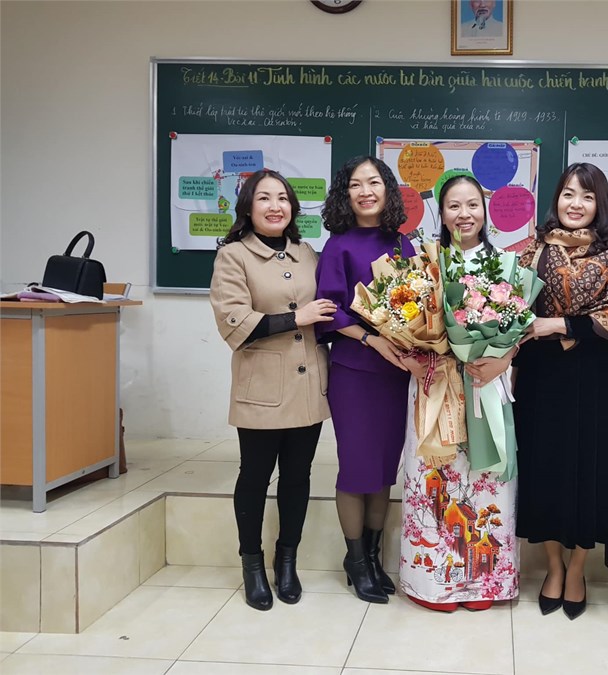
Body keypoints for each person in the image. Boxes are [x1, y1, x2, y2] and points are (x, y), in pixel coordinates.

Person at [210, 169, 337, 611]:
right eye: (264, 197)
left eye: (282, 197)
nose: (275, 205)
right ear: (248, 206)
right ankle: (252, 565)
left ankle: (287, 561)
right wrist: (296, 318)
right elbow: (233, 322)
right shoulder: (233, 256)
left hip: (309, 385)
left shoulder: (307, 253)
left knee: (298, 476)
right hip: (261, 388)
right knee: (254, 476)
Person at [514, 163, 608, 620]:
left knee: (589, 472)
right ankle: (553, 566)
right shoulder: (534, 248)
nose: (576, 204)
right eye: (568, 193)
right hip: (540, 375)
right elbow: (510, 307)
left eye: (587, 196)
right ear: (557, 199)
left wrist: (560, 324)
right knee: (543, 468)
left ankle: (579, 568)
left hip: (592, 376)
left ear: (600, 204)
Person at [398, 175, 520, 612]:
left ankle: (483, 584)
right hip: (435, 385)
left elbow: (519, 326)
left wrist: (503, 359)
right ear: (442, 212)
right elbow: (405, 320)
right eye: (454, 206)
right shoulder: (425, 264)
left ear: (484, 212)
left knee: (484, 479)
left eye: (472, 205)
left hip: (484, 382)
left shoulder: (506, 265)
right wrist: (415, 354)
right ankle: (434, 584)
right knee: (437, 475)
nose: (464, 214)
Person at [315, 156, 414, 604]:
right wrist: (372, 339)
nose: (365, 191)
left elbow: (416, 304)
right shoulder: (338, 246)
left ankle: (373, 557)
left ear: (387, 190)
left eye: (374, 182)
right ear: (345, 194)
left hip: (395, 373)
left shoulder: (402, 243)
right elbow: (328, 310)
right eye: (356, 185)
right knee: (357, 468)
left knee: (384, 468)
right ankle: (355, 560)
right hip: (355, 371)